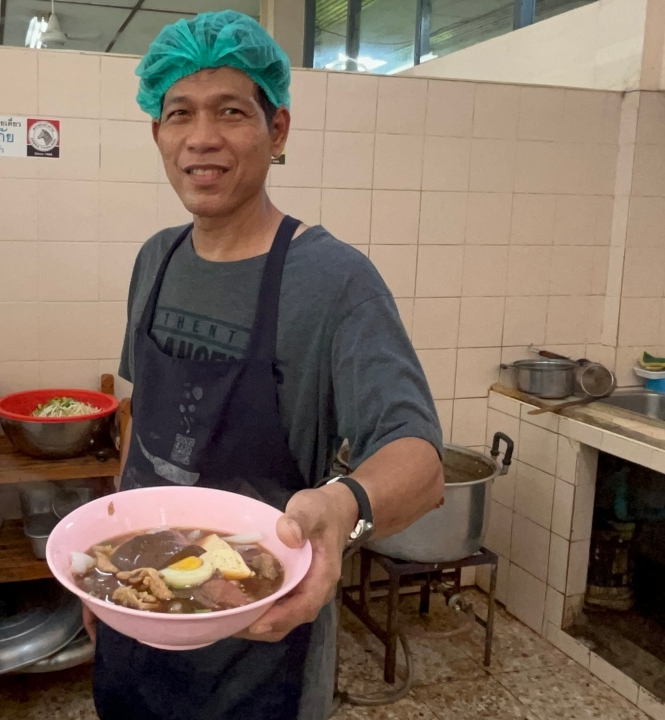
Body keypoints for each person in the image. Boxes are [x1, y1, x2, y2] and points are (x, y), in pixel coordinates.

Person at [88, 11, 446, 720]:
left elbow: (422, 464)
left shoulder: (333, 279)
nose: (202, 138)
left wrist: (342, 508)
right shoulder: (155, 259)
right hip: (138, 620)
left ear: (276, 130)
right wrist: (106, 573)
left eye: (231, 111)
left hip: (260, 639)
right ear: (156, 133)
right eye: (180, 113)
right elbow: (142, 427)